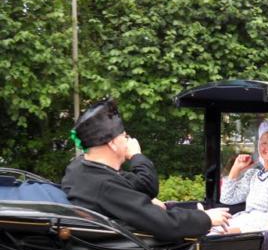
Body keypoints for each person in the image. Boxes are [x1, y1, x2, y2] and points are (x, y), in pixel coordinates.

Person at [62, 97, 231, 242]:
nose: (128, 140)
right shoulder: (103, 184)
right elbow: (165, 224)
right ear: (113, 143)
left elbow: (141, 187)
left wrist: (148, 202)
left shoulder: (78, 169)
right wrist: (206, 218)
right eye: (124, 136)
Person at [217, 119, 268, 234]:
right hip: (242, 221)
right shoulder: (253, 174)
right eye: (263, 143)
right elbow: (227, 198)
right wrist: (236, 168)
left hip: (259, 231)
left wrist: (235, 230)